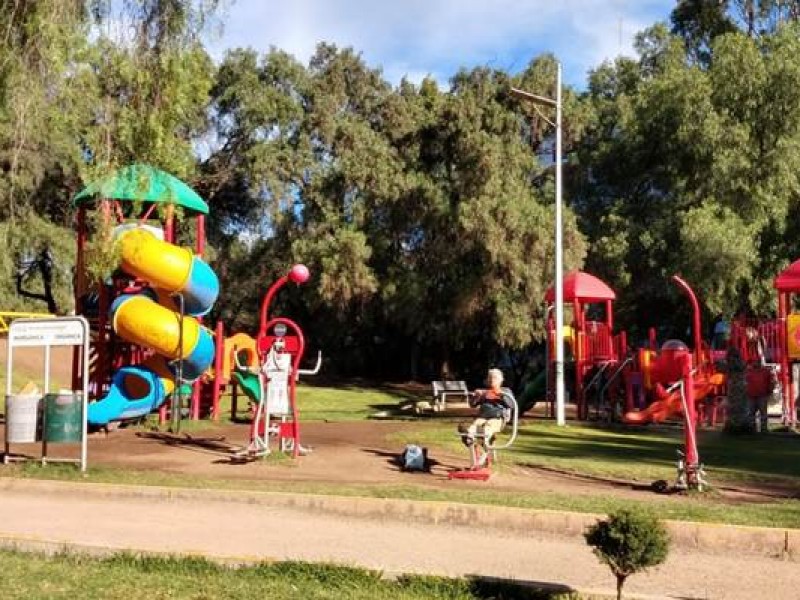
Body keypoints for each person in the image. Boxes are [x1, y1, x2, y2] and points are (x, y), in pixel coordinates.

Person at [461, 368, 515, 448]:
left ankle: (485, 439)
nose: (492, 380)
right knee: (475, 425)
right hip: (483, 417)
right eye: (490, 378)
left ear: (500, 380)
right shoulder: (485, 392)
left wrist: (501, 395)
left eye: (494, 378)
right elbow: (472, 405)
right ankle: (469, 437)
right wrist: (476, 397)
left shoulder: (505, 391)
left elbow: (512, 404)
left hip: (497, 418)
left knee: (489, 426)